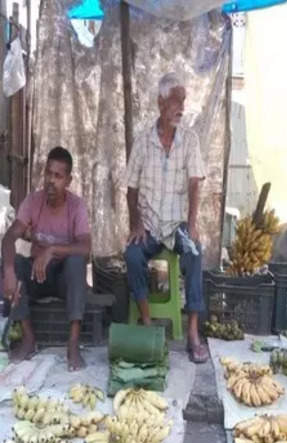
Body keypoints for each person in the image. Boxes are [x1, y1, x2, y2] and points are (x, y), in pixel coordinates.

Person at [124, 72, 209, 363]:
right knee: (132, 256)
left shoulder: (189, 140)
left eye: (183, 101)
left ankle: (193, 333)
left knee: (195, 254)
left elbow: (195, 182)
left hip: (176, 227)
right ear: (160, 103)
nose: (180, 108)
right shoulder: (143, 141)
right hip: (148, 225)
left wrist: (194, 225)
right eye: (175, 101)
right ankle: (148, 326)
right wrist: (136, 223)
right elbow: (131, 188)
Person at [1, 147, 92, 371]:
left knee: (76, 262)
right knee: (13, 264)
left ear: (68, 180)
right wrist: (9, 271)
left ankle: (72, 343)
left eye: (58, 176)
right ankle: (28, 338)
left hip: (64, 279)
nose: (51, 181)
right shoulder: (33, 201)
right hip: (37, 275)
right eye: (48, 174)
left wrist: (51, 250)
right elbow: (9, 238)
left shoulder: (76, 206)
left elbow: (86, 247)